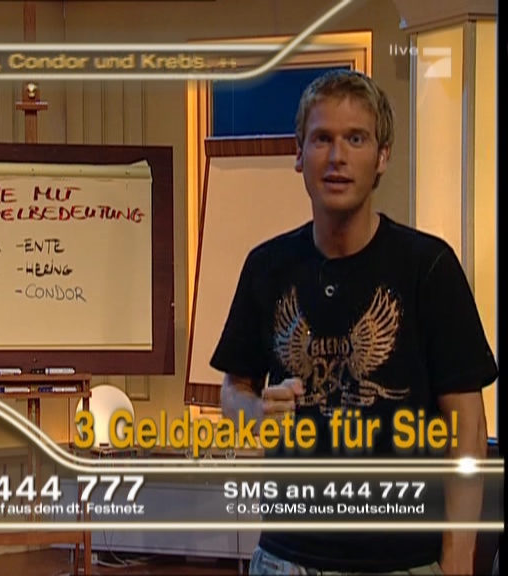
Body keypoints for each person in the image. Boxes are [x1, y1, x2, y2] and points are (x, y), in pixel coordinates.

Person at [211, 69, 498, 575]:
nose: (337, 157)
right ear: (299, 154)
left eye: (356, 139)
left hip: (402, 560)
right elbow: (234, 389)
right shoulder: (267, 266)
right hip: (286, 557)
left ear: (382, 156)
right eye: (322, 138)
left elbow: (468, 427)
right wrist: (253, 412)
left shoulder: (428, 267)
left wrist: (457, 556)